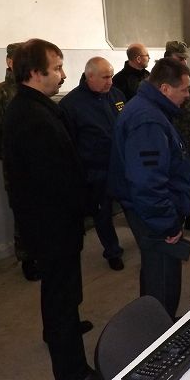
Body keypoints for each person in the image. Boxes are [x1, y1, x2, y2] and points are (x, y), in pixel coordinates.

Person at [2, 38, 102, 380]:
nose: (63, 74)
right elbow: (52, 180)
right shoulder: (30, 117)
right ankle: (72, 370)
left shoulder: (35, 107)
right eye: (57, 68)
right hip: (51, 224)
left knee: (61, 288)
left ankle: (60, 328)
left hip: (53, 221)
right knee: (61, 291)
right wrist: (80, 205)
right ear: (34, 73)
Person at [109, 57, 190, 318]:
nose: (188, 95)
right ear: (165, 89)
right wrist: (167, 224)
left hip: (151, 211)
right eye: (184, 89)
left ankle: (155, 323)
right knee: (163, 280)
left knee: (155, 274)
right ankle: (160, 332)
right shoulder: (148, 121)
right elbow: (147, 182)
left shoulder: (150, 110)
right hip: (153, 216)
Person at [0, 42, 41, 282]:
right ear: (10, 62)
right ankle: (28, 258)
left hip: (42, 165)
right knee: (24, 211)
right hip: (18, 169)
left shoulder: (35, 89)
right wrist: (11, 156)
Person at [59, 57, 126, 271]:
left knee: (133, 205)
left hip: (121, 166)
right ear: (90, 77)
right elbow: (68, 144)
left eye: (111, 76)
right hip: (95, 171)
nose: (110, 82)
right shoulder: (71, 105)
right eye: (105, 77)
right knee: (102, 214)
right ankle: (113, 251)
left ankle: (146, 241)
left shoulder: (116, 95)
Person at [164, 41, 190, 233]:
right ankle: (173, 222)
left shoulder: (189, 76)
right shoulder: (159, 79)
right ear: (168, 57)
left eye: (185, 58)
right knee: (174, 184)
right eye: (179, 58)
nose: (183, 62)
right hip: (172, 142)